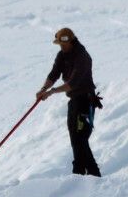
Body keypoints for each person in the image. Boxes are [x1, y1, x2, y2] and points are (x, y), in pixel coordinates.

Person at [37, 27, 101, 177]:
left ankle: (92, 174)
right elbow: (54, 74)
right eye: (59, 44)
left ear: (72, 41)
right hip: (74, 101)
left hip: (85, 100)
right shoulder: (62, 55)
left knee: (81, 138)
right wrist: (43, 88)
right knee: (74, 137)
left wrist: (51, 92)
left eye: (64, 44)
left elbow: (73, 83)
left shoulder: (82, 56)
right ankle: (80, 173)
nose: (61, 47)